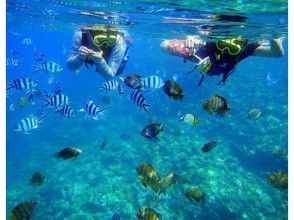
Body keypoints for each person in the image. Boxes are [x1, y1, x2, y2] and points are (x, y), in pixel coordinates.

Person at [160, 35, 284, 85]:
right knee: (167, 47)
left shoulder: (247, 47)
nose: (226, 48)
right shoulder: (210, 37)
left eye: (233, 48)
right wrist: (193, 38)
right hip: (203, 55)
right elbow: (163, 44)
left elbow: (276, 53)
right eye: (222, 44)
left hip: (220, 68)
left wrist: (273, 35)